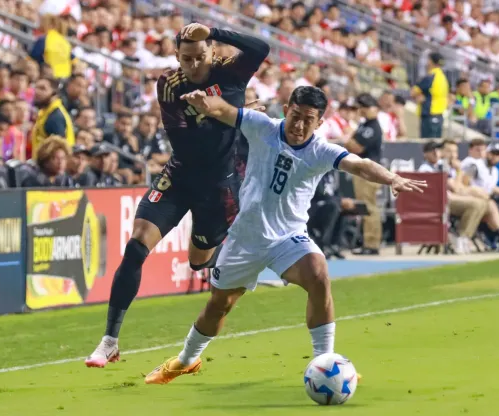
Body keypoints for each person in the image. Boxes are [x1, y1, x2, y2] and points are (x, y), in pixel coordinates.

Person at [143, 86, 426, 384]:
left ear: (319, 123)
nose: (300, 124)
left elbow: (360, 165)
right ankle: (186, 360)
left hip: (288, 238)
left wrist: (391, 177)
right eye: (295, 115)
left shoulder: (321, 150)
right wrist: (204, 103)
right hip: (245, 238)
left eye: (308, 119)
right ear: (286, 108)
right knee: (219, 305)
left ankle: (324, 362)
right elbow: (224, 110)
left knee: (318, 274)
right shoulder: (262, 126)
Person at [85, 23, 271, 368]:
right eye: (187, 59)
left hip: (219, 188)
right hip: (180, 176)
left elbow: (261, 47)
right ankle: (109, 341)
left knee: (199, 262)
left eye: (201, 57)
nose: (194, 65)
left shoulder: (231, 74)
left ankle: (232, 270)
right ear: (176, 57)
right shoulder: (168, 84)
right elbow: (186, 144)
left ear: (212, 53)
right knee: (137, 243)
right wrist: (229, 115)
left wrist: (214, 30)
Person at [419, 141, 487, 254]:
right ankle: (462, 237)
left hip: (447, 199)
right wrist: (459, 170)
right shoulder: (425, 168)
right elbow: (454, 187)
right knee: (476, 204)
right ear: (426, 154)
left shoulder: (441, 165)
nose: (436, 153)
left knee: (481, 203)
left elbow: (456, 186)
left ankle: (463, 237)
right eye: (432, 151)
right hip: (437, 203)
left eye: (438, 150)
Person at [344, 93, 383, 255]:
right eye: (362, 107)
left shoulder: (372, 127)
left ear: (375, 109)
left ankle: (372, 244)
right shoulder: (364, 124)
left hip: (369, 171)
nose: (364, 110)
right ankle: (367, 242)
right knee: (364, 206)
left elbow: (356, 147)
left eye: (367, 107)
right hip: (361, 170)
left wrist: (348, 138)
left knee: (369, 207)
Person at [31, 77, 75, 157]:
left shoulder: (55, 117)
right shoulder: (46, 113)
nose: (37, 92)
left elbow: (57, 150)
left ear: (55, 93)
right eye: (36, 88)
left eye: (42, 88)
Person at [412, 52, 449, 138]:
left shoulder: (431, 77)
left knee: (427, 144)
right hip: (439, 114)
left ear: (431, 62)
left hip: (429, 113)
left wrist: (418, 96)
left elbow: (413, 92)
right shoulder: (443, 77)